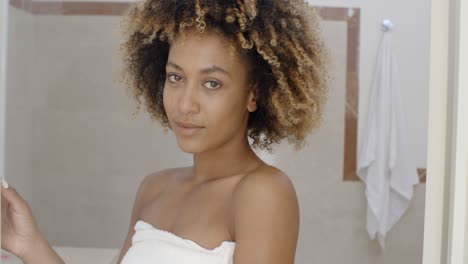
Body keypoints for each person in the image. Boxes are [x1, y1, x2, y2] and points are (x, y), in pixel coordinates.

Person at [1, 0, 329, 263]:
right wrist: (30, 245)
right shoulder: (154, 187)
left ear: (253, 94)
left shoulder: (265, 192)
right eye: (175, 77)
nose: (185, 104)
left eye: (211, 83)